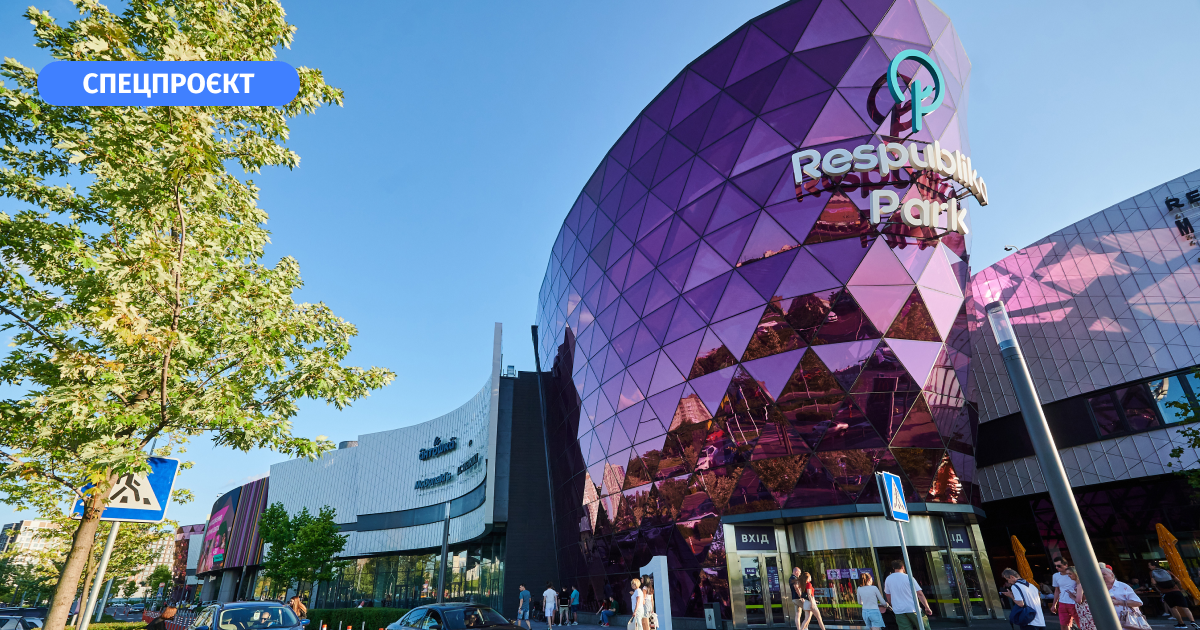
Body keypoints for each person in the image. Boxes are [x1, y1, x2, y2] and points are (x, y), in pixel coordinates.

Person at [884, 560, 932, 630]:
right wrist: (927, 607)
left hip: (898, 610)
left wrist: (893, 605)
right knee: (924, 627)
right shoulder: (908, 577)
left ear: (893, 568)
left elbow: (888, 595)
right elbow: (920, 594)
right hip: (913, 608)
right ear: (902, 567)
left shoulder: (888, 579)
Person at [1150, 561, 1195, 628]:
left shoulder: (1152, 573)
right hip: (1176, 591)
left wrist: (1157, 588)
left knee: (1173, 608)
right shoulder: (1167, 571)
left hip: (1166, 592)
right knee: (1185, 607)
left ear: (1154, 566)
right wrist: (1179, 588)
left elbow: (1153, 583)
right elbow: (1178, 580)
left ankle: (1181, 623)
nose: (1149, 567)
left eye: (1149, 565)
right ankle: (1193, 621)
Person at [1051, 557, 1078, 630]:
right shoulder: (1055, 576)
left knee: (1080, 624)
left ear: (1066, 565)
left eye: (1059, 566)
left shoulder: (1074, 574)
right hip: (1062, 602)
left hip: (1074, 602)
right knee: (1063, 625)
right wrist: (1054, 604)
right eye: (1055, 566)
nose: (1057, 567)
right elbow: (1057, 590)